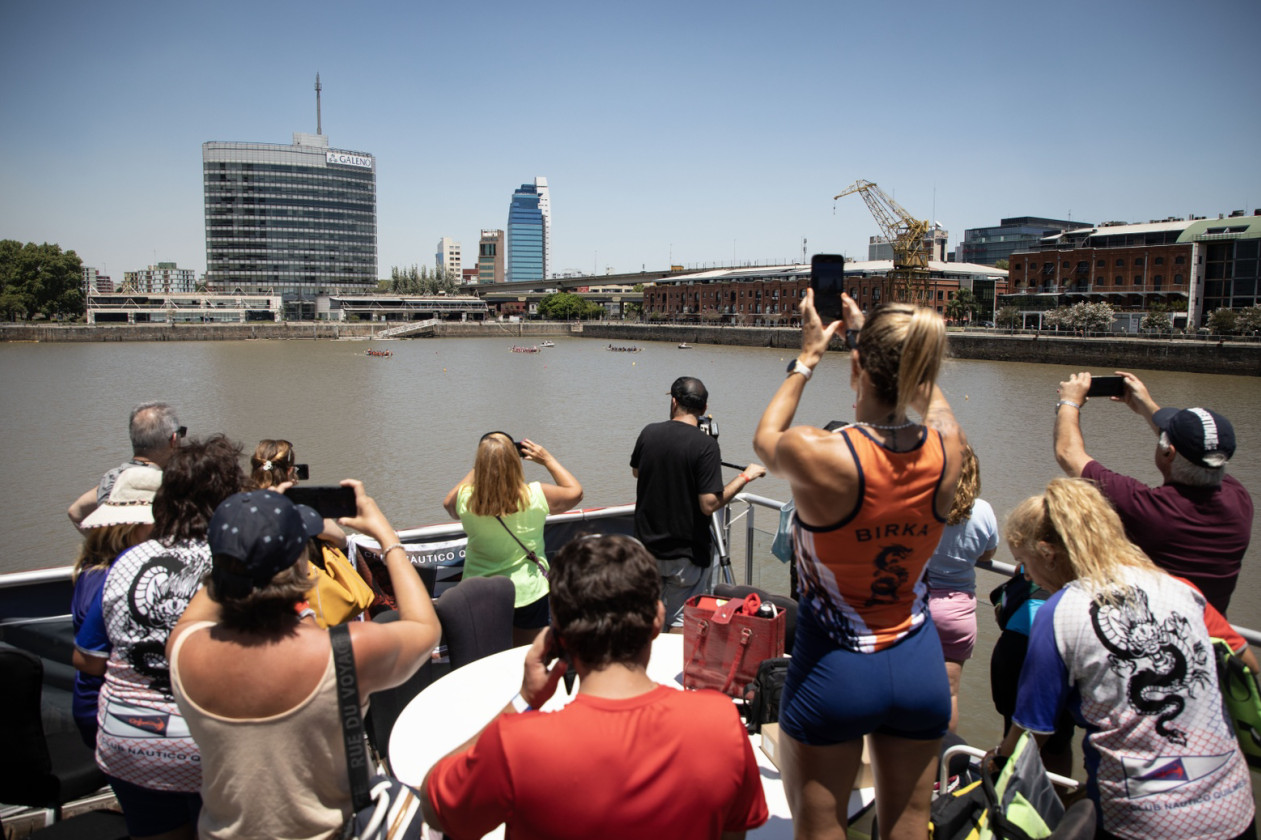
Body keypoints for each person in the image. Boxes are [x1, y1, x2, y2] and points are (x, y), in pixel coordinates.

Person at [752, 290, 965, 840]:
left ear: (857, 369)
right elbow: (936, 408)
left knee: (820, 830)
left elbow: (764, 441)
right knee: (910, 825)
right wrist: (878, 341)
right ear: (922, 369)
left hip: (836, 668)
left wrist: (807, 357)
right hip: (920, 662)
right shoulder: (949, 450)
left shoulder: (821, 453)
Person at [420, 534, 768, 840]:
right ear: (658, 619)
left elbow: (436, 807)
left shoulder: (516, 745)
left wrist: (523, 699)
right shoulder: (720, 723)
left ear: (557, 631)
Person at [167, 481, 440, 840]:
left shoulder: (184, 647)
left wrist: (250, 532)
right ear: (300, 564)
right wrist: (385, 535)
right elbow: (424, 628)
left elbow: (218, 586)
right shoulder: (344, 653)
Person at [1001, 477, 1256, 840]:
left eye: (1024, 562)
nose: (1026, 575)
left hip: (1143, 820)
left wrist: (996, 760)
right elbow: (1241, 665)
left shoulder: (1060, 610)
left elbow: (1031, 731)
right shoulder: (1179, 588)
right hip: (1233, 807)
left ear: (1048, 553)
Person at [85, 435, 246, 840]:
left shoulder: (126, 560)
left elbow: (86, 658)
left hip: (127, 743)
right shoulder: (237, 562)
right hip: (209, 750)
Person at [1053, 370, 1251, 615]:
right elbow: (1194, 452)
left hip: (1154, 644)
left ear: (1169, 453)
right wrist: (1146, 405)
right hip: (1209, 642)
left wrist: (1069, 402)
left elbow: (1068, 454)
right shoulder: (1239, 499)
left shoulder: (1147, 509)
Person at [630, 377, 767, 630]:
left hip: (646, 549)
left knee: (646, 618)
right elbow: (709, 504)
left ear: (673, 401)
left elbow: (637, 472)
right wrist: (745, 476)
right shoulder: (705, 446)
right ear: (704, 410)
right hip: (687, 555)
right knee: (682, 622)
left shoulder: (649, 432)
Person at [443, 432, 583, 647]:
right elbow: (575, 492)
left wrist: (484, 464)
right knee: (525, 656)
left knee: (488, 659)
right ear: (514, 461)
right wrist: (547, 459)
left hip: (479, 592)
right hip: (527, 591)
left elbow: (448, 504)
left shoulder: (465, 498)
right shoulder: (535, 494)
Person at [68, 467, 161, 747]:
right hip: (107, 713)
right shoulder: (112, 579)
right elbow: (91, 661)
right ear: (134, 526)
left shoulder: (96, 567)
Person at [924, 445, 997, 733]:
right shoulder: (984, 511)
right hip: (958, 612)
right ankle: (945, 763)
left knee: (907, 684)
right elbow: (988, 555)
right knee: (950, 693)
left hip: (917, 605)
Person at [68, 401, 182, 527]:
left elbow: (75, 512)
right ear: (174, 440)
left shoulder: (112, 479)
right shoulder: (170, 482)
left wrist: (99, 542)